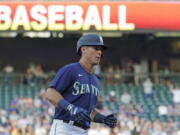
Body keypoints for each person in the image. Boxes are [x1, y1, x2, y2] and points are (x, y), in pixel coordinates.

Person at [45, 34, 117, 135]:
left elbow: (87, 112)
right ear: (83, 49)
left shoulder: (96, 80)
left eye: (101, 49)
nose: (99, 52)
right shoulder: (70, 70)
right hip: (65, 128)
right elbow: (50, 93)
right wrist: (71, 108)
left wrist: (103, 119)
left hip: (84, 131)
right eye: (96, 48)